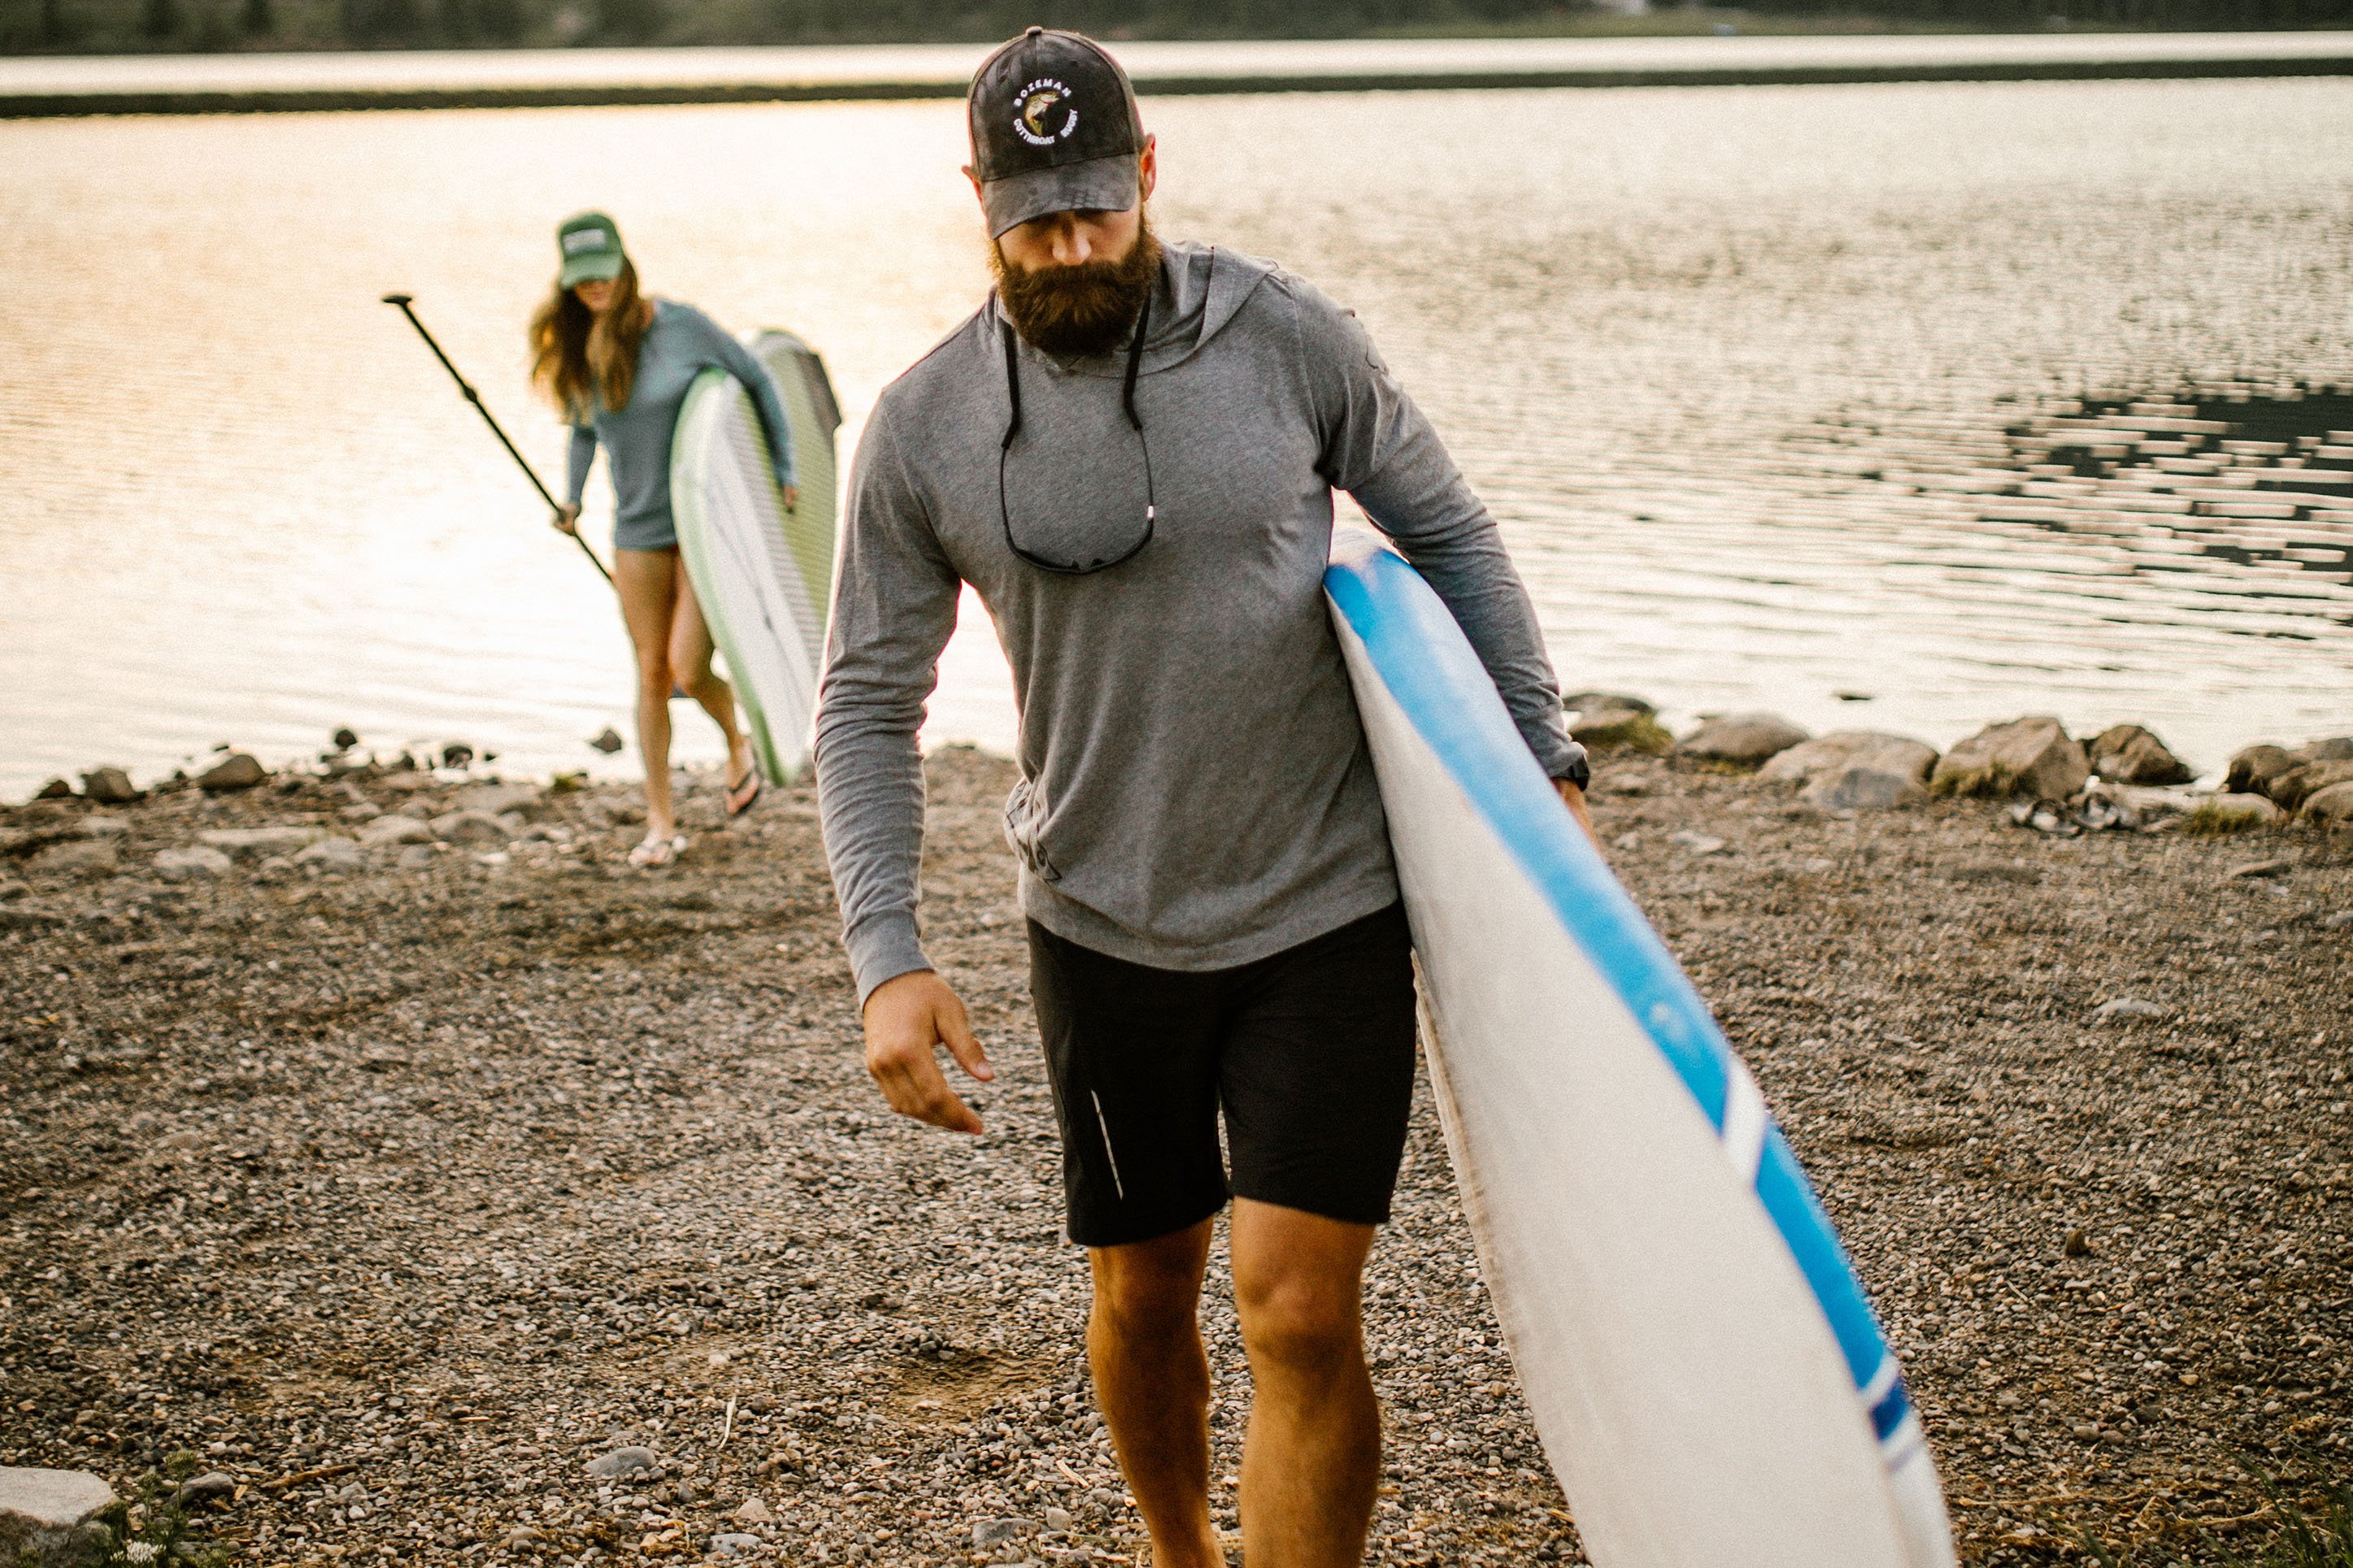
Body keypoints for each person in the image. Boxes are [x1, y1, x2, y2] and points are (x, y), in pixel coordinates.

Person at [814, 28, 1593, 1568]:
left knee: (1297, 1306)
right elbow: (862, 698)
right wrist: (885, 953)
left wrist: (1541, 757)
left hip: (1325, 902)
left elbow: (1445, 527)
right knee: (1143, 1280)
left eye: (1096, 205)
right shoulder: (921, 428)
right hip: (1100, 918)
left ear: (1147, 171)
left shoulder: (1283, 337)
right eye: (1034, 215)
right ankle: (1183, 1551)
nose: (1071, 243)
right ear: (976, 199)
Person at [529, 211, 798, 867]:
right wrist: (572, 497)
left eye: (604, 274)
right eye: (581, 279)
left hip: (707, 528)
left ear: (625, 266)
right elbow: (586, 429)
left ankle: (736, 737)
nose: (595, 288)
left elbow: (758, 379)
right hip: (637, 531)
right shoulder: (583, 346)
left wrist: (784, 468)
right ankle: (659, 820)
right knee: (650, 674)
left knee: (685, 665)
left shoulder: (680, 326)